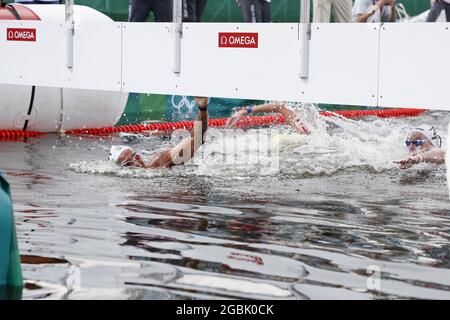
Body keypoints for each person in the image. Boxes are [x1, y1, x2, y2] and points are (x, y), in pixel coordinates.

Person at [109, 97, 209, 169]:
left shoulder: (160, 162)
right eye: (127, 164)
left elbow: (197, 140)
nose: (134, 161)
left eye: (135, 155)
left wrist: (202, 108)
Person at [227, 101, 310, 135]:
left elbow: (279, 106)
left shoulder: (304, 132)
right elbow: (279, 106)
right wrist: (247, 110)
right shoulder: (304, 130)